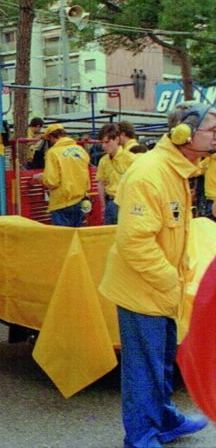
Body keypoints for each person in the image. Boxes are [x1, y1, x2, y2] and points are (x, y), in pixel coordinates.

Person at [99, 102, 216, 447]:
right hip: (143, 290)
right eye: (211, 130)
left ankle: (163, 419)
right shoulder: (149, 174)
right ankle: (141, 436)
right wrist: (170, 280)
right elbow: (135, 243)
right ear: (184, 134)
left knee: (162, 362)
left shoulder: (177, 170)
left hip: (162, 290)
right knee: (144, 370)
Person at [32, 123, 90, 227]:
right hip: (79, 200)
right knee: (77, 237)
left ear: (52, 137)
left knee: (62, 239)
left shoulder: (53, 153)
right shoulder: (81, 150)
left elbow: (52, 181)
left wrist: (42, 177)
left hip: (61, 203)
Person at [96, 123, 136, 225]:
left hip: (126, 203)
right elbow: (100, 183)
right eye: (102, 143)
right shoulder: (103, 161)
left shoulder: (131, 159)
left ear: (117, 140)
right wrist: (103, 206)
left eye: (107, 142)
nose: (103, 146)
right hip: (110, 204)